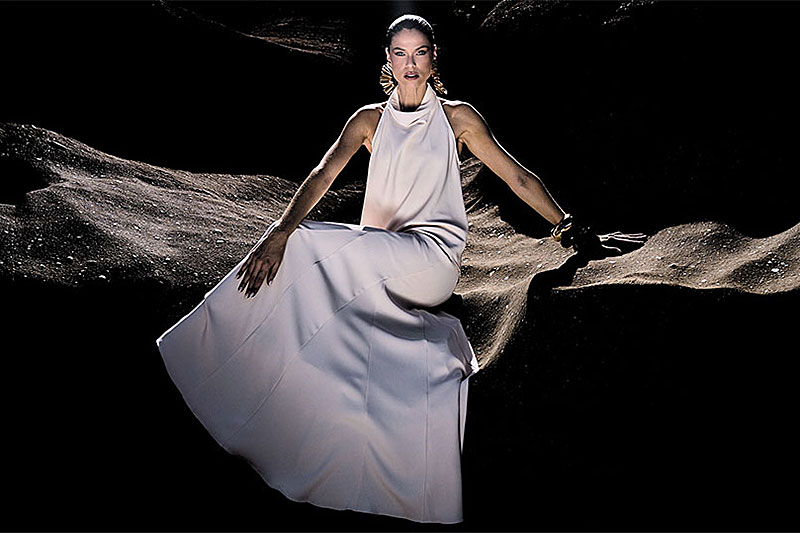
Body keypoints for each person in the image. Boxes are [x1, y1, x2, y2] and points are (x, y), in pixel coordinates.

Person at [157, 14, 645, 525]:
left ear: (434, 58)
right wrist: (279, 229)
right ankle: (224, 363)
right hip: (382, 257)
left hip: (432, 258)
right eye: (400, 53)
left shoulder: (457, 118)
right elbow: (323, 173)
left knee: (306, 244)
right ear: (387, 61)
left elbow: (516, 177)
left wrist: (569, 228)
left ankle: (227, 348)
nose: (410, 64)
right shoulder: (368, 121)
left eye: (420, 52)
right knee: (295, 241)